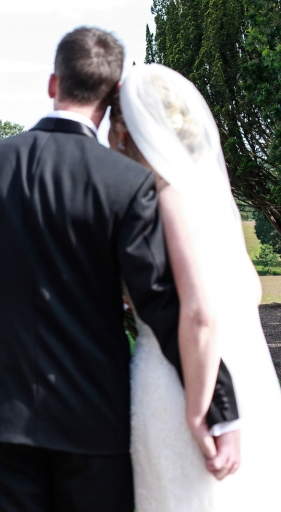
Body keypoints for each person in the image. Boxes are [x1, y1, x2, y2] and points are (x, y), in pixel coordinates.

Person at [0, 27, 239, 511]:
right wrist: (221, 411)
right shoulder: (127, 183)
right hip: (93, 407)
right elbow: (161, 300)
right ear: (112, 97)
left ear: (54, 83)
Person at [110, 63, 281, 511]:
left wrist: (198, 406)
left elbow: (200, 312)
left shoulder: (165, 198)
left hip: (182, 385)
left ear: (127, 133)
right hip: (248, 385)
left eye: (113, 124)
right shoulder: (208, 200)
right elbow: (248, 295)